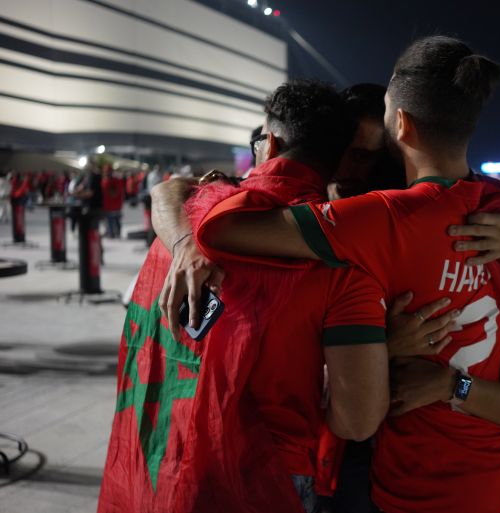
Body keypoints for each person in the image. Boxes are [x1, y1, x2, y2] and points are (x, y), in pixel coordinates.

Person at [161, 36, 500, 513]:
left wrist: (446, 382)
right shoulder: (499, 219)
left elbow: (223, 227)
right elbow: (172, 192)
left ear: (398, 131)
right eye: (340, 152)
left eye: (368, 154)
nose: (347, 170)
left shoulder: (379, 221)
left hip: (397, 478)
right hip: (400, 470)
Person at [99, 80, 393, 513]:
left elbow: (169, 191)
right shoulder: (343, 258)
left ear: (269, 143)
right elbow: (358, 419)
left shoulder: (186, 224)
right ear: (336, 160)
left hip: (157, 460)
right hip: (266, 479)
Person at [102, 164, 124, 239]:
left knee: (112, 220)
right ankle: (112, 232)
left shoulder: (112, 180)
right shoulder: (106, 180)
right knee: (112, 220)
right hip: (110, 204)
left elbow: (116, 193)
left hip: (112, 204)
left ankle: (112, 233)